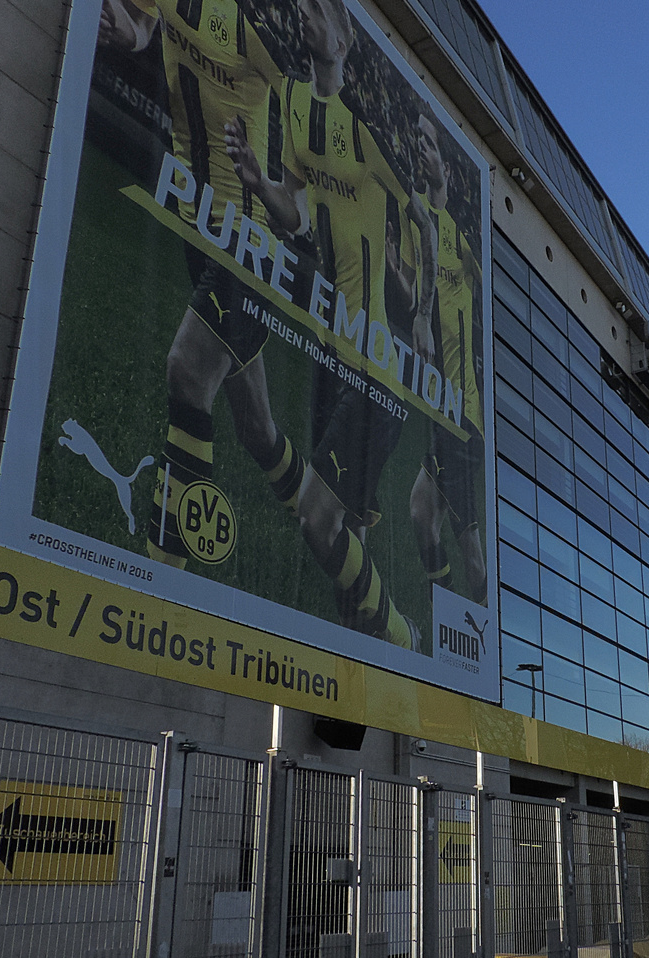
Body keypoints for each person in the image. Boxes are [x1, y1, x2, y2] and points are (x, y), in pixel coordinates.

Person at [225, 0, 435, 647]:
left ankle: (401, 636)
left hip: (376, 366)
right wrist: (262, 186)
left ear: (345, 41)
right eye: (306, 9)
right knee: (349, 537)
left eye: (321, 11)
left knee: (318, 521)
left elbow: (422, 221)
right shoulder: (295, 116)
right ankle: (366, 664)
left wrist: (423, 315)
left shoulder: (364, 135)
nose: (307, 17)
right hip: (330, 354)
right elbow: (297, 223)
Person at [99, 0, 305, 570]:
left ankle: (166, 583)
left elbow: (302, 153)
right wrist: (128, 34)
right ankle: (346, 562)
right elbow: (144, 27)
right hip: (198, 230)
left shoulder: (258, 33)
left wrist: (282, 191)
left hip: (250, 242)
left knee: (187, 373)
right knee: (258, 430)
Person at [408, 109, 486, 603]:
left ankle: (477, 626)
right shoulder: (413, 211)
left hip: (461, 411)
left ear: (449, 169)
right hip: (440, 405)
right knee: (420, 511)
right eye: (416, 140)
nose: (421, 148)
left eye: (430, 143)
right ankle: (452, 618)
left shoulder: (463, 239)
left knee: (471, 548)